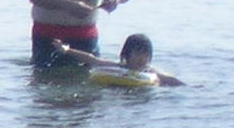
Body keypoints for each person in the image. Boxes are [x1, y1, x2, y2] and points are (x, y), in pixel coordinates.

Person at [51, 33, 186, 87]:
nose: (141, 58)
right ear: (126, 55)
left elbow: (170, 80)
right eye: (138, 53)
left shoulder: (150, 72)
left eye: (145, 54)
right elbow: (93, 60)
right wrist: (67, 50)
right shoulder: (119, 67)